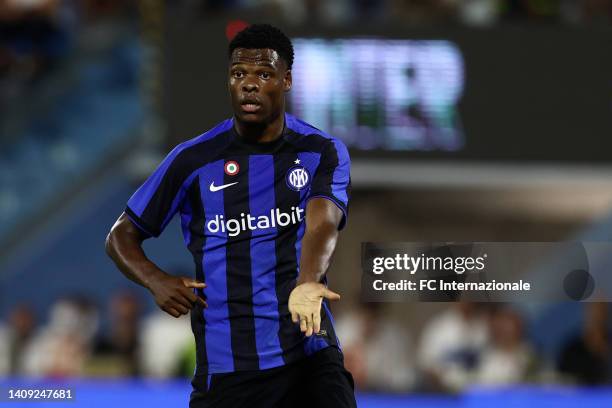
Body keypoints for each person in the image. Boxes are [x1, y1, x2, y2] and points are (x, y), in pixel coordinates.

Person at [105, 23, 355, 408]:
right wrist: (155, 279)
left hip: (308, 352)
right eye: (239, 73)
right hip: (228, 368)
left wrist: (307, 281)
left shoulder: (320, 150)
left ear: (286, 80)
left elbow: (323, 221)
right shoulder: (192, 160)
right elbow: (121, 235)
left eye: (263, 74)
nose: (249, 84)